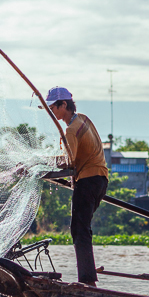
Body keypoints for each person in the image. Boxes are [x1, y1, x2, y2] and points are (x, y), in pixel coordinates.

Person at [44, 86, 109, 286]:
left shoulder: (71, 129)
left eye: (53, 108)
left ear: (64, 105)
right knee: (83, 228)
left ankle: (87, 280)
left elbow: (69, 162)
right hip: (100, 180)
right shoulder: (83, 119)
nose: (51, 112)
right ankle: (89, 273)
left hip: (88, 180)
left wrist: (41, 165)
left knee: (79, 229)